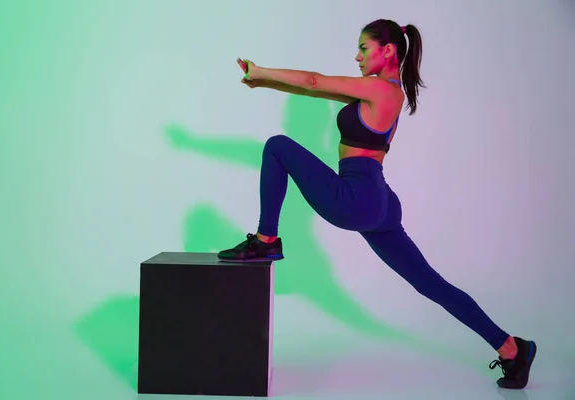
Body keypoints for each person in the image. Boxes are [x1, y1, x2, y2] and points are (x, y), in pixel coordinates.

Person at [216, 19, 536, 389]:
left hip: (358, 198)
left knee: (277, 146)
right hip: (380, 202)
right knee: (431, 283)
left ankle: (266, 241)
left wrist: (261, 69)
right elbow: (316, 92)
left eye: (363, 48)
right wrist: (264, 82)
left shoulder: (380, 91)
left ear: (388, 51)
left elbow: (315, 80)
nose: (356, 56)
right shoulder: (385, 92)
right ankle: (512, 348)